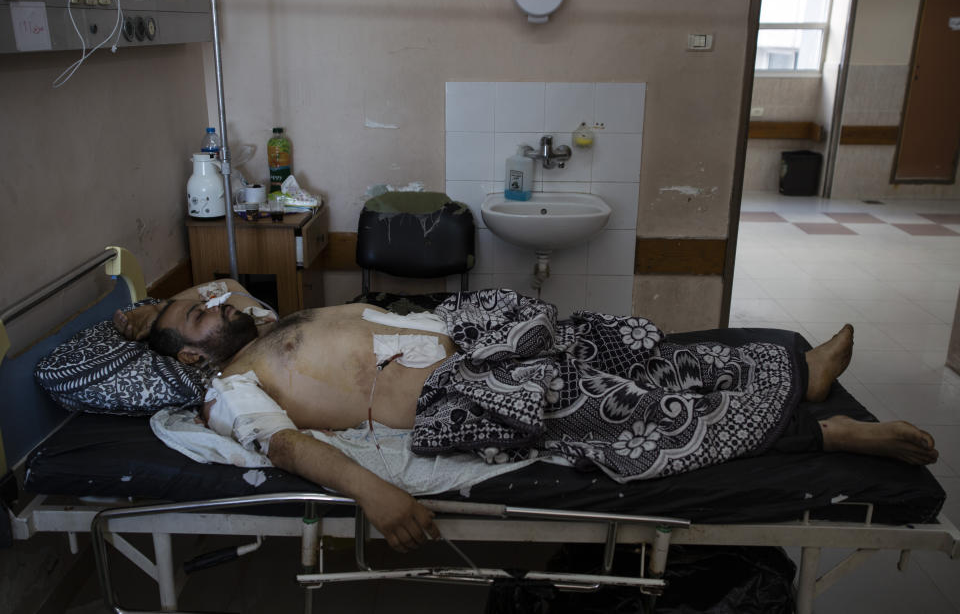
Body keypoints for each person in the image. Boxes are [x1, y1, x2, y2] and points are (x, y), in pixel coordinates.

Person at [114, 280, 938, 552]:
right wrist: (371, 492)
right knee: (630, 418)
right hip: (459, 396)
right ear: (192, 357)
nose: (215, 300)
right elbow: (288, 448)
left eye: (211, 294)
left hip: (480, 338)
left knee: (631, 352)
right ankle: (820, 431)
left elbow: (220, 295)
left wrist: (158, 304)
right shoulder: (231, 387)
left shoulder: (263, 320)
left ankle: (798, 373)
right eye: (197, 314)